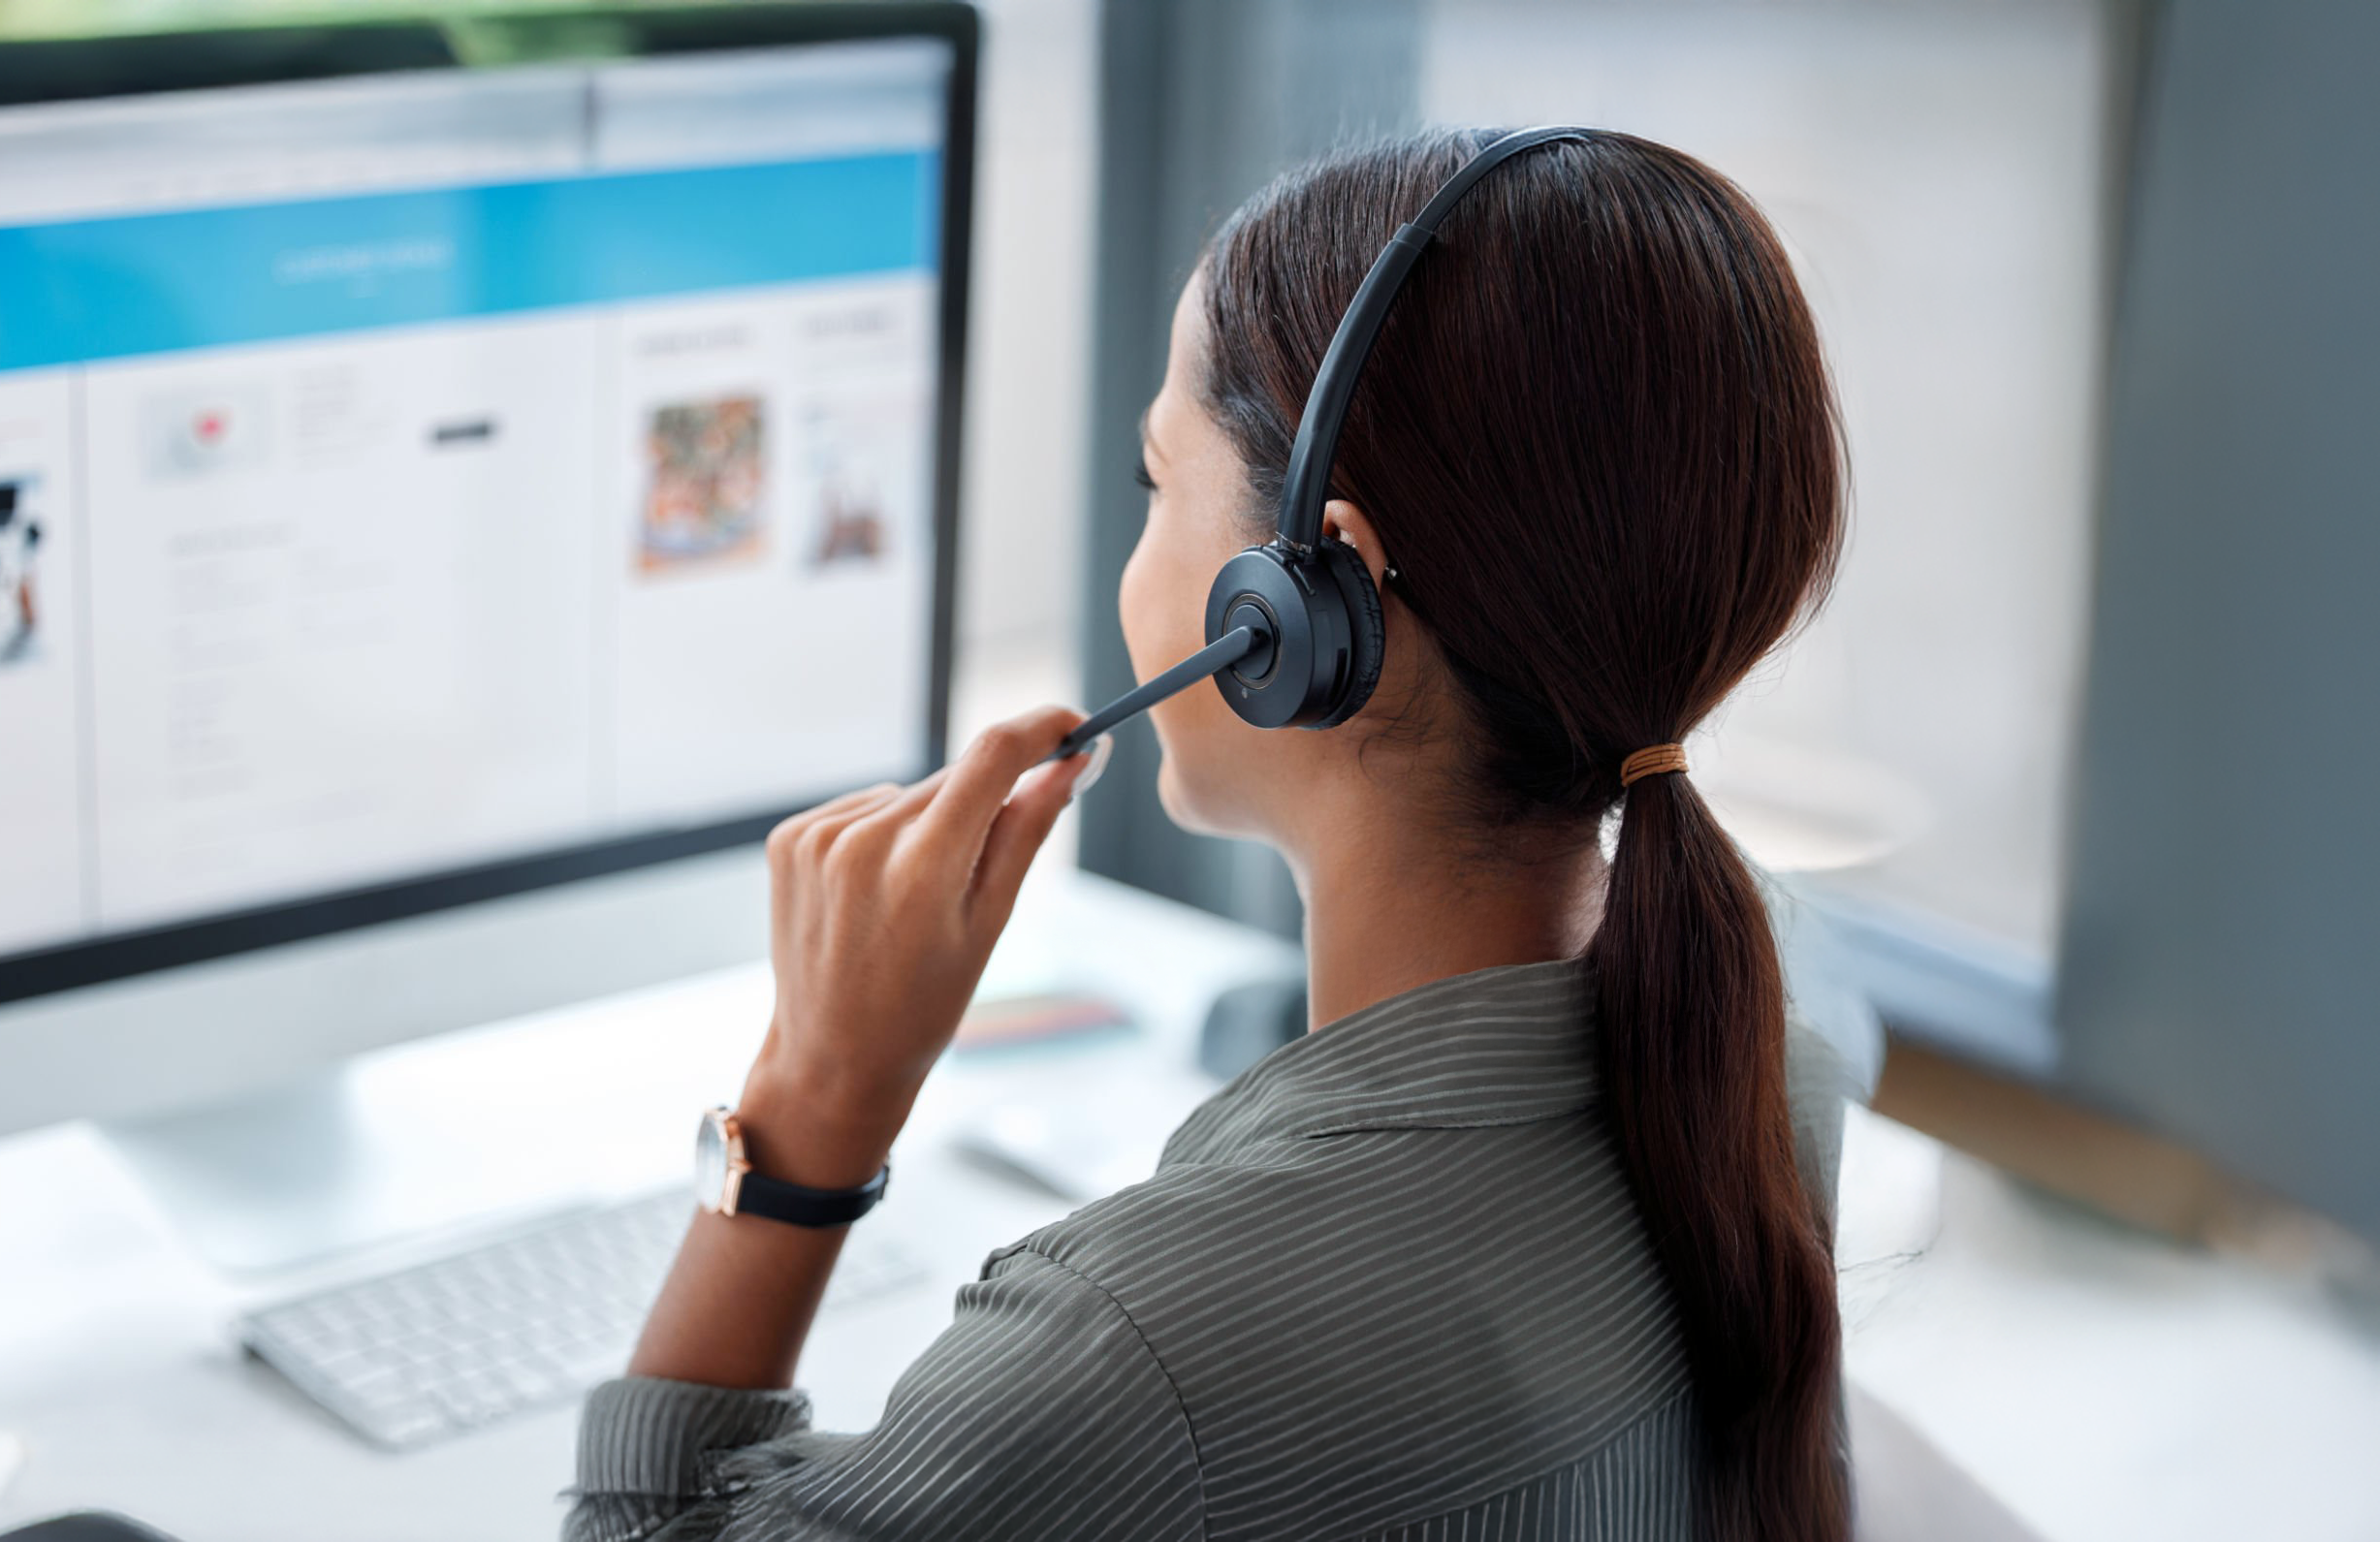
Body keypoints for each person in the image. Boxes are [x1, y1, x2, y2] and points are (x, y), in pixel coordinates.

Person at [564, 127, 1851, 1542]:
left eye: (1154, 485)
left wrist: (811, 1101)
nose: (1133, 552)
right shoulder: (1754, 1059)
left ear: (1305, 605)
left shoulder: (1130, 1349)